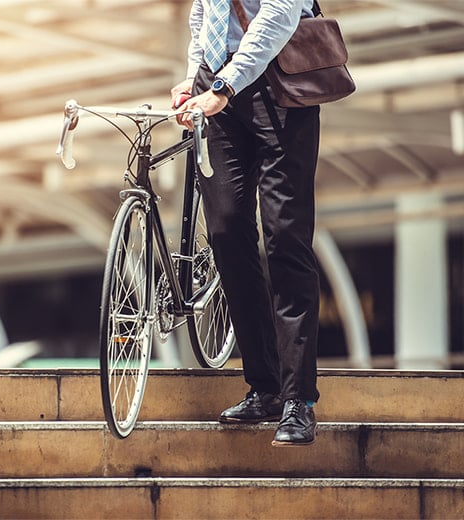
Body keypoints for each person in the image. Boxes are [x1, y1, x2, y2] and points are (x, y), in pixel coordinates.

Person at [171, 0, 320, 446]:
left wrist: (224, 84)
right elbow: (205, 14)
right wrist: (196, 74)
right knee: (226, 231)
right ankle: (265, 386)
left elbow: (279, 14)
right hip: (220, 92)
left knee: (285, 240)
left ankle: (299, 400)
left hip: (280, 88)